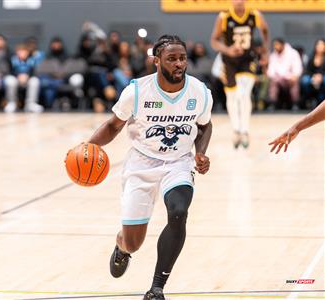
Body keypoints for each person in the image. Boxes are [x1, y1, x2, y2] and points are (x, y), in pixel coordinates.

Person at [87, 35, 213, 300]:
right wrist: (87, 147)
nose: (179, 64)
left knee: (179, 212)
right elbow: (113, 126)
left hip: (179, 162)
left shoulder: (199, 92)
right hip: (141, 163)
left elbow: (204, 125)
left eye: (182, 58)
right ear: (157, 61)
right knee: (134, 242)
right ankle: (122, 248)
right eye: (172, 59)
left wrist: (200, 153)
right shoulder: (136, 91)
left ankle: (156, 288)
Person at [210, 0, 269, 148]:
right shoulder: (223, 17)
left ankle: (245, 130)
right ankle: (236, 129)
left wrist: (265, 50)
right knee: (232, 95)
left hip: (247, 59)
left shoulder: (254, 15)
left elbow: (265, 31)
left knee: (244, 94)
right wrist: (228, 49)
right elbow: (214, 41)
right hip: (229, 60)